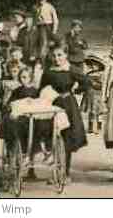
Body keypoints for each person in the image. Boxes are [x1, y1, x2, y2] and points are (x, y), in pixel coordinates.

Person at [38, 45, 88, 184]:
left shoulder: (71, 70)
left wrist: (76, 89)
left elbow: (86, 82)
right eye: (54, 56)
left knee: (66, 139)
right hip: (53, 105)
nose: (57, 58)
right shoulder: (49, 72)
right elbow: (42, 89)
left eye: (60, 55)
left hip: (68, 105)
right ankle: (55, 172)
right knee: (52, 137)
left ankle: (65, 173)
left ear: (66, 56)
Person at [3, 66, 42, 179]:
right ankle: (16, 158)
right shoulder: (17, 90)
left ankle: (31, 168)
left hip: (32, 118)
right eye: (22, 77)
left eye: (27, 77)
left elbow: (39, 103)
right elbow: (11, 103)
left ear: (31, 78)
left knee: (35, 133)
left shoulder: (35, 91)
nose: (24, 80)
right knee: (16, 129)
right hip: (21, 119)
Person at [32, 0, 58, 64]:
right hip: (38, 26)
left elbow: (55, 19)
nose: (40, 2)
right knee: (34, 41)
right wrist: (33, 26)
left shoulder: (50, 7)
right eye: (39, 0)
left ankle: (42, 58)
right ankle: (35, 56)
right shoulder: (35, 7)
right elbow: (34, 18)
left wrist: (54, 30)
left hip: (48, 26)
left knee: (45, 42)